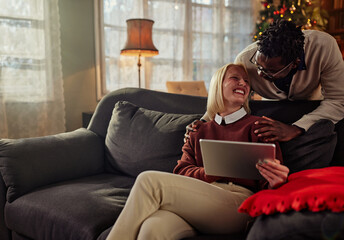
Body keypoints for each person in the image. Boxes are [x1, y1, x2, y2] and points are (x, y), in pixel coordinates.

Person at [106, 64, 289, 240]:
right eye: (235, 78)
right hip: (197, 203)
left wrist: (276, 182)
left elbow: (270, 179)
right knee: (152, 228)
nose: (243, 83)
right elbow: (181, 172)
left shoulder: (259, 126)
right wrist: (209, 172)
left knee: (148, 181)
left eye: (246, 81)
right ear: (218, 85)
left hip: (239, 204)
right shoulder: (198, 130)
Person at [187, 19, 344, 143]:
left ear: (294, 64)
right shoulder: (245, 59)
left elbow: (338, 100)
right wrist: (204, 121)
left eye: (270, 71)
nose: (260, 75)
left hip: (312, 113)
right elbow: (230, 99)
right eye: (258, 65)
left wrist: (297, 128)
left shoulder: (324, 47)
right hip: (271, 115)